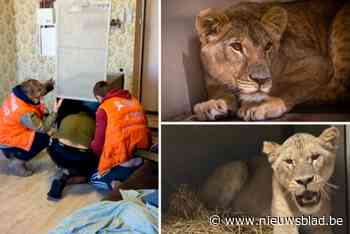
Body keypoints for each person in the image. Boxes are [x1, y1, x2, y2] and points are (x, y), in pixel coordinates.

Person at [90, 80, 151, 190]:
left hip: (122, 164)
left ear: (99, 97)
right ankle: (132, 180)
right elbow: (146, 130)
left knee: (93, 178)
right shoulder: (134, 101)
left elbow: (98, 146)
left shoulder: (104, 108)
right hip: (141, 161)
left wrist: (93, 148)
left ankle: (116, 183)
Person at [0, 79, 62, 176]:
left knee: (43, 128)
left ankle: (11, 153)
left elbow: (36, 91)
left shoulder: (19, 93)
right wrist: (55, 112)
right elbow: (44, 128)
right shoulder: (24, 112)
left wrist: (48, 87)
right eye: (38, 97)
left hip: (5, 133)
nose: (40, 98)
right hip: (9, 140)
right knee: (46, 137)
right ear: (31, 96)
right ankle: (17, 162)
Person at [47, 105, 98, 200]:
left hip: (58, 155)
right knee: (95, 167)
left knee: (59, 145)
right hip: (80, 158)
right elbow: (98, 146)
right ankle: (76, 177)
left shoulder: (67, 118)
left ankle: (64, 171)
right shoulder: (94, 122)